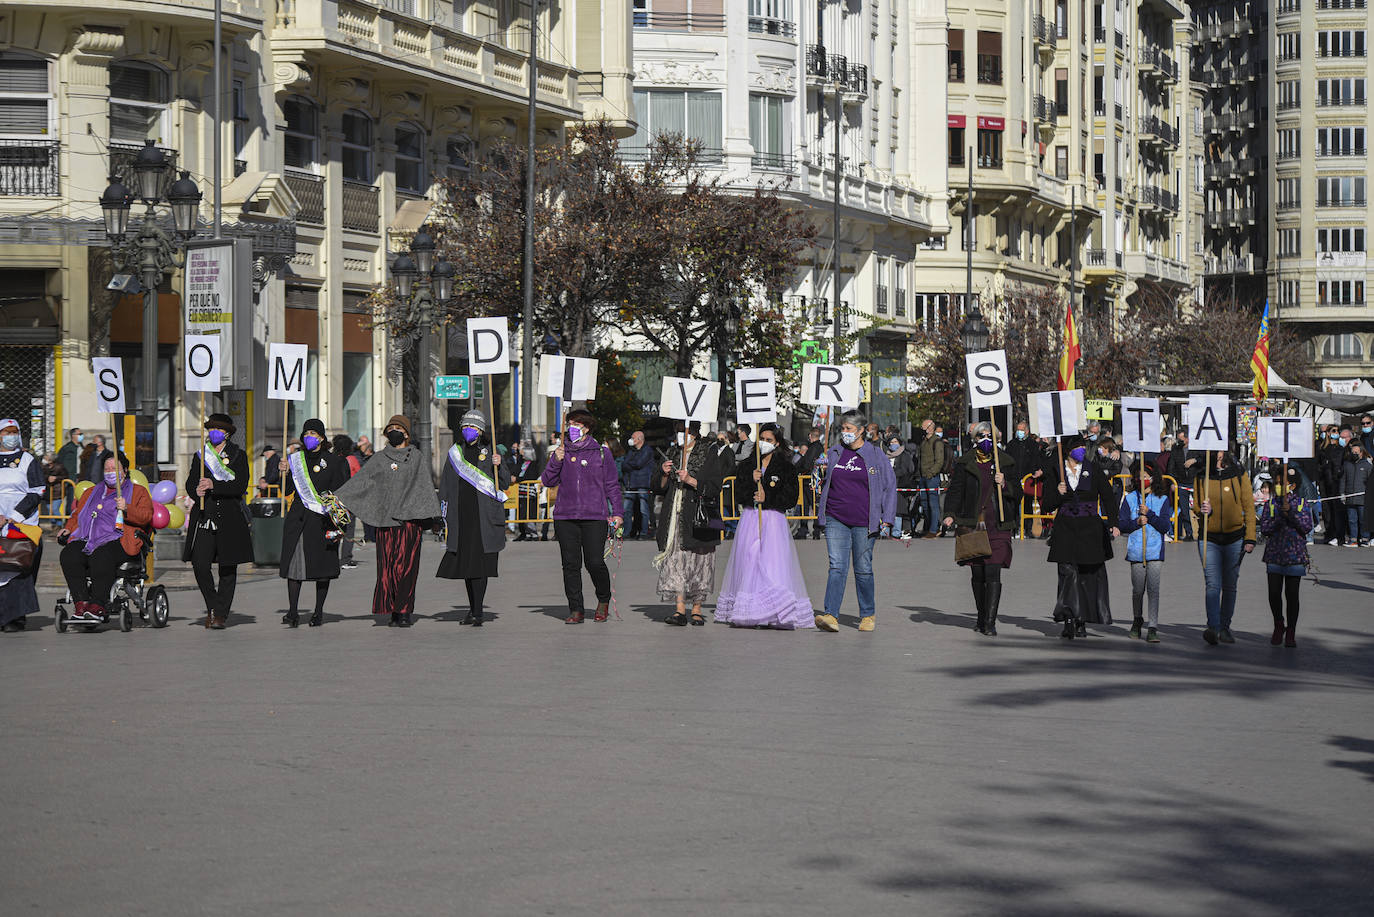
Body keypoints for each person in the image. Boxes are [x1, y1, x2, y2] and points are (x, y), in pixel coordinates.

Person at [334, 415, 441, 627]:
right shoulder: (379, 458)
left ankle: (404, 610)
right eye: (391, 428)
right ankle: (392, 609)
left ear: (406, 433)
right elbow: (360, 482)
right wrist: (336, 499)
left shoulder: (416, 457)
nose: (394, 431)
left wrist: (434, 515)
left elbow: (425, 486)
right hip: (386, 521)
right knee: (387, 568)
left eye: (398, 428)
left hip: (410, 521)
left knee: (407, 568)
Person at [716, 421, 812, 628]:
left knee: (772, 563)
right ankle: (750, 609)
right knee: (750, 559)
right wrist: (751, 481)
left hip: (773, 519)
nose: (765, 443)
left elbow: (790, 498)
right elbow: (738, 494)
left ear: (777, 443)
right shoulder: (748, 465)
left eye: (769, 440)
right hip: (751, 518)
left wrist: (767, 497)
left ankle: (775, 611)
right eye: (762, 439)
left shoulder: (786, 467)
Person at [815, 411, 897, 633]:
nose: (845, 433)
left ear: (862, 431)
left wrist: (887, 518)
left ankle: (867, 614)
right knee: (836, 566)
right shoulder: (834, 452)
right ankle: (831, 614)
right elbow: (825, 482)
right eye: (843, 428)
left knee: (863, 569)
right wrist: (820, 469)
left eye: (849, 429)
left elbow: (890, 487)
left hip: (865, 521)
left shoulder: (876, 455)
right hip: (836, 517)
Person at [540, 409, 622, 624]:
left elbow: (612, 485)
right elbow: (548, 481)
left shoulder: (601, 452)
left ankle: (603, 599)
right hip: (565, 516)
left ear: (586, 427)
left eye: (577, 424)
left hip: (594, 515)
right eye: (570, 423)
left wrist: (618, 513)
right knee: (570, 564)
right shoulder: (561, 451)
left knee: (594, 562)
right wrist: (556, 460)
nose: (572, 428)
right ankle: (575, 609)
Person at [942, 422, 1019, 636]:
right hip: (973, 524)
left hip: (998, 524)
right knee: (978, 573)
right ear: (975, 439)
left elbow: (1018, 493)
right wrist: (949, 513)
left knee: (993, 571)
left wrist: (1004, 485)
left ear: (997, 438)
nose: (985, 439)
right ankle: (980, 615)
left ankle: (990, 621)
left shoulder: (1006, 463)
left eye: (989, 435)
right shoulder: (964, 462)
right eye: (981, 435)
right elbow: (955, 491)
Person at [57, 452, 154, 622]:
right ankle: (81, 602)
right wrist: (67, 529)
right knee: (69, 554)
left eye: (114, 468)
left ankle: (98, 604)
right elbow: (77, 515)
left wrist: (127, 508)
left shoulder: (138, 492)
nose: (110, 471)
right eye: (107, 468)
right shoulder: (92, 492)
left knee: (101, 555)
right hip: (88, 537)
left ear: (124, 470)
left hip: (120, 539)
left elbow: (146, 516)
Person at [655, 420, 733, 626]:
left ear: (695, 431)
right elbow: (658, 487)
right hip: (674, 517)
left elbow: (715, 485)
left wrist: (691, 480)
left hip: (699, 517)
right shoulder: (672, 453)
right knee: (676, 562)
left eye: (684, 430)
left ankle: (697, 609)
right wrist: (663, 472)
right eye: (678, 430)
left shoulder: (709, 452)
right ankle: (680, 609)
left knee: (700, 562)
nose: (681, 434)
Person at [437, 410, 511, 627]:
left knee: (480, 566)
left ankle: (478, 611)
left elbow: (504, 483)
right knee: (467, 568)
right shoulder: (455, 453)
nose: (469, 430)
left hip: (484, 518)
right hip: (462, 517)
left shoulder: (491, 452)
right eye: (466, 426)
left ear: (481, 430)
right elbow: (446, 485)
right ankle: (473, 609)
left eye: (474, 427)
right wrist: (440, 514)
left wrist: (500, 465)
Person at [1043, 436, 1121, 640]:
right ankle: (1068, 618)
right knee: (1067, 574)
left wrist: (1113, 522)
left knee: (1087, 576)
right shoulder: (1056, 469)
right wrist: (1058, 494)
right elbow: (1046, 505)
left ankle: (1081, 621)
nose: (1080, 450)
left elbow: (1107, 496)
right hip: (1066, 530)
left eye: (1082, 446)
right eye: (1076, 447)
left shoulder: (1092, 468)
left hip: (1090, 530)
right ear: (1067, 449)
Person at [276, 419, 350, 628]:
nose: (309, 436)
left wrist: (338, 525)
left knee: (322, 568)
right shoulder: (295, 459)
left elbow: (340, 493)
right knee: (294, 567)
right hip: (298, 519)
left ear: (321, 437)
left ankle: (318, 612)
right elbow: (288, 490)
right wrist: (285, 472)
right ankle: (292, 611)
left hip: (322, 521)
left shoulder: (333, 461)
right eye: (306, 432)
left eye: (313, 433)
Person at [183, 413, 252, 629]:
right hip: (205, 516)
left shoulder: (238, 455)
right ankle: (213, 606)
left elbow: (240, 485)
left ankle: (220, 614)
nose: (213, 432)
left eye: (218, 429)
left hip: (229, 517)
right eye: (210, 428)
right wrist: (196, 491)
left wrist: (215, 485)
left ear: (226, 433)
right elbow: (190, 483)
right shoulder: (201, 455)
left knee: (227, 568)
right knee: (200, 565)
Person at [1194, 448, 1257, 645]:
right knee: (1212, 585)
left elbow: (1249, 507)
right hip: (1209, 537)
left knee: (1230, 586)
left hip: (1234, 538)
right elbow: (1196, 504)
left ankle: (1224, 627)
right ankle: (1213, 627)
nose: (1217, 453)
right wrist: (1203, 509)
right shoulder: (1202, 474)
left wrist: (1250, 538)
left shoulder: (1239, 474)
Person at [1118, 461, 1173, 644]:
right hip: (1136, 551)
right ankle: (1137, 618)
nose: (1141, 480)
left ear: (1153, 478)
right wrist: (1136, 523)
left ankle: (1153, 626)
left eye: (1145, 477)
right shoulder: (1130, 499)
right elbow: (1123, 524)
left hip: (1155, 551)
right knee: (1138, 589)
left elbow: (1165, 526)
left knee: (1153, 589)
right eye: (1138, 477)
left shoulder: (1162, 500)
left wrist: (1150, 515)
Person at [1260, 466, 1313, 648]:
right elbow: (1265, 528)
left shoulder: (1301, 503)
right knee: (1274, 593)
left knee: (1292, 595)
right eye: (1276, 483)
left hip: (1294, 554)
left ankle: (1291, 630)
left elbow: (1307, 527)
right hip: (1275, 554)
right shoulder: (1271, 504)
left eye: (1283, 484)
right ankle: (1278, 623)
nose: (1279, 486)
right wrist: (1279, 518)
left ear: (1293, 485)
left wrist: (1290, 513)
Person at [0, 419, 45, 633]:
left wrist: (14, 516)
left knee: (18, 567)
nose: (11, 436)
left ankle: (15, 616)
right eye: (7, 432)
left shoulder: (28, 460)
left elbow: (37, 491)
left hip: (22, 524)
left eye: (14, 432)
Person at [332, 434, 361, 568]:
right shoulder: (352, 460)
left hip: (334, 499)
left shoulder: (331, 459)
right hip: (349, 499)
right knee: (349, 530)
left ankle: (332, 558)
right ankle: (346, 559)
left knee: (335, 529)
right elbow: (359, 477)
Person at [917, 418, 950, 538]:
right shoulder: (923, 441)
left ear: (930, 426)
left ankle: (933, 529)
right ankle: (927, 528)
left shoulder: (937, 442)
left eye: (924, 425)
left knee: (933, 504)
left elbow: (939, 460)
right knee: (925, 505)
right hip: (922, 477)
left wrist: (931, 473)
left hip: (931, 477)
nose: (922, 427)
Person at [621, 430, 654, 539]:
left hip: (642, 484)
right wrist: (631, 464)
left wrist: (630, 464)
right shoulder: (631, 451)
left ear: (639, 439)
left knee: (643, 510)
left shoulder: (647, 451)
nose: (631, 440)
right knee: (626, 510)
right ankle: (627, 532)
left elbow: (639, 463)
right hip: (631, 483)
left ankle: (644, 533)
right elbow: (624, 464)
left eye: (633, 437)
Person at [1166, 430, 1198, 541]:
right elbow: (1171, 467)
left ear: (1187, 438)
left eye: (1181, 439)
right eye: (1178, 439)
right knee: (1184, 510)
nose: (1179, 441)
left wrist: (1195, 460)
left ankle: (1202, 531)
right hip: (1181, 483)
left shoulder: (1196, 448)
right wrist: (1172, 482)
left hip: (1195, 482)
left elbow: (1204, 460)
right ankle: (1189, 533)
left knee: (1199, 508)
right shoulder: (1176, 450)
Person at [794, 427, 825, 539]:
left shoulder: (813, 448)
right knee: (811, 505)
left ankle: (808, 529)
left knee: (807, 505)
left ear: (811, 436)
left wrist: (798, 470)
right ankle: (812, 529)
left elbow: (806, 464)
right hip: (814, 481)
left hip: (810, 481)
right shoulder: (819, 448)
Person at [1318, 426, 1347, 545]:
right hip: (1325, 482)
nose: (1336, 433)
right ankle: (1329, 533)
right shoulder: (1323, 448)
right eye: (1333, 431)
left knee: (1337, 510)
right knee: (1327, 510)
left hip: (1336, 481)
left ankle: (1338, 535)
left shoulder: (1341, 449)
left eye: (1337, 431)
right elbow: (1320, 465)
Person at [886, 433, 918, 537]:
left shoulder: (904, 455)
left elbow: (905, 470)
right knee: (885, 509)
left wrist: (892, 474)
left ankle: (896, 531)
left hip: (899, 485)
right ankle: (885, 531)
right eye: (891, 442)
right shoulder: (885, 455)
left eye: (895, 442)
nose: (893, 444)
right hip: (887, 486)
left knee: (898, 510)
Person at [512, 442, 543, 541]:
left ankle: (532, 533)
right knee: (521, 513)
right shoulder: (521, 463)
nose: (522, 454)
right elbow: (516, 471)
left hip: (529, 493)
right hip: (520, 492)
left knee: (529, 512)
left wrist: (517, 479)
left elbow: (530, 477)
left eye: (524, 452)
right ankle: (523, 533)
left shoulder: (533, 464)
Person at [56, 428, 82, 515]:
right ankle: (68, 520)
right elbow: (59, 463)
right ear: (73, 436)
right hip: (69, 479)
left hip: (80, 479)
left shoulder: (82, 448)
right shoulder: (66, 449)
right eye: (79, 434)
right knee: (70, 501)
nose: (81, 436)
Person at [42, 453, 69, 524]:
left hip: (58, 491)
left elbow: (65, 476)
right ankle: (53, 525)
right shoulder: (44, 467)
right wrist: (48, 478)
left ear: (51, 460)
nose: (44, 460)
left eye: (46, 458)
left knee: (54, 509)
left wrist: (56, 478)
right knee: (49, 510)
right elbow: (41, 475)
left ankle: (59, 525)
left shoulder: (59, 467)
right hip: (47, 492)